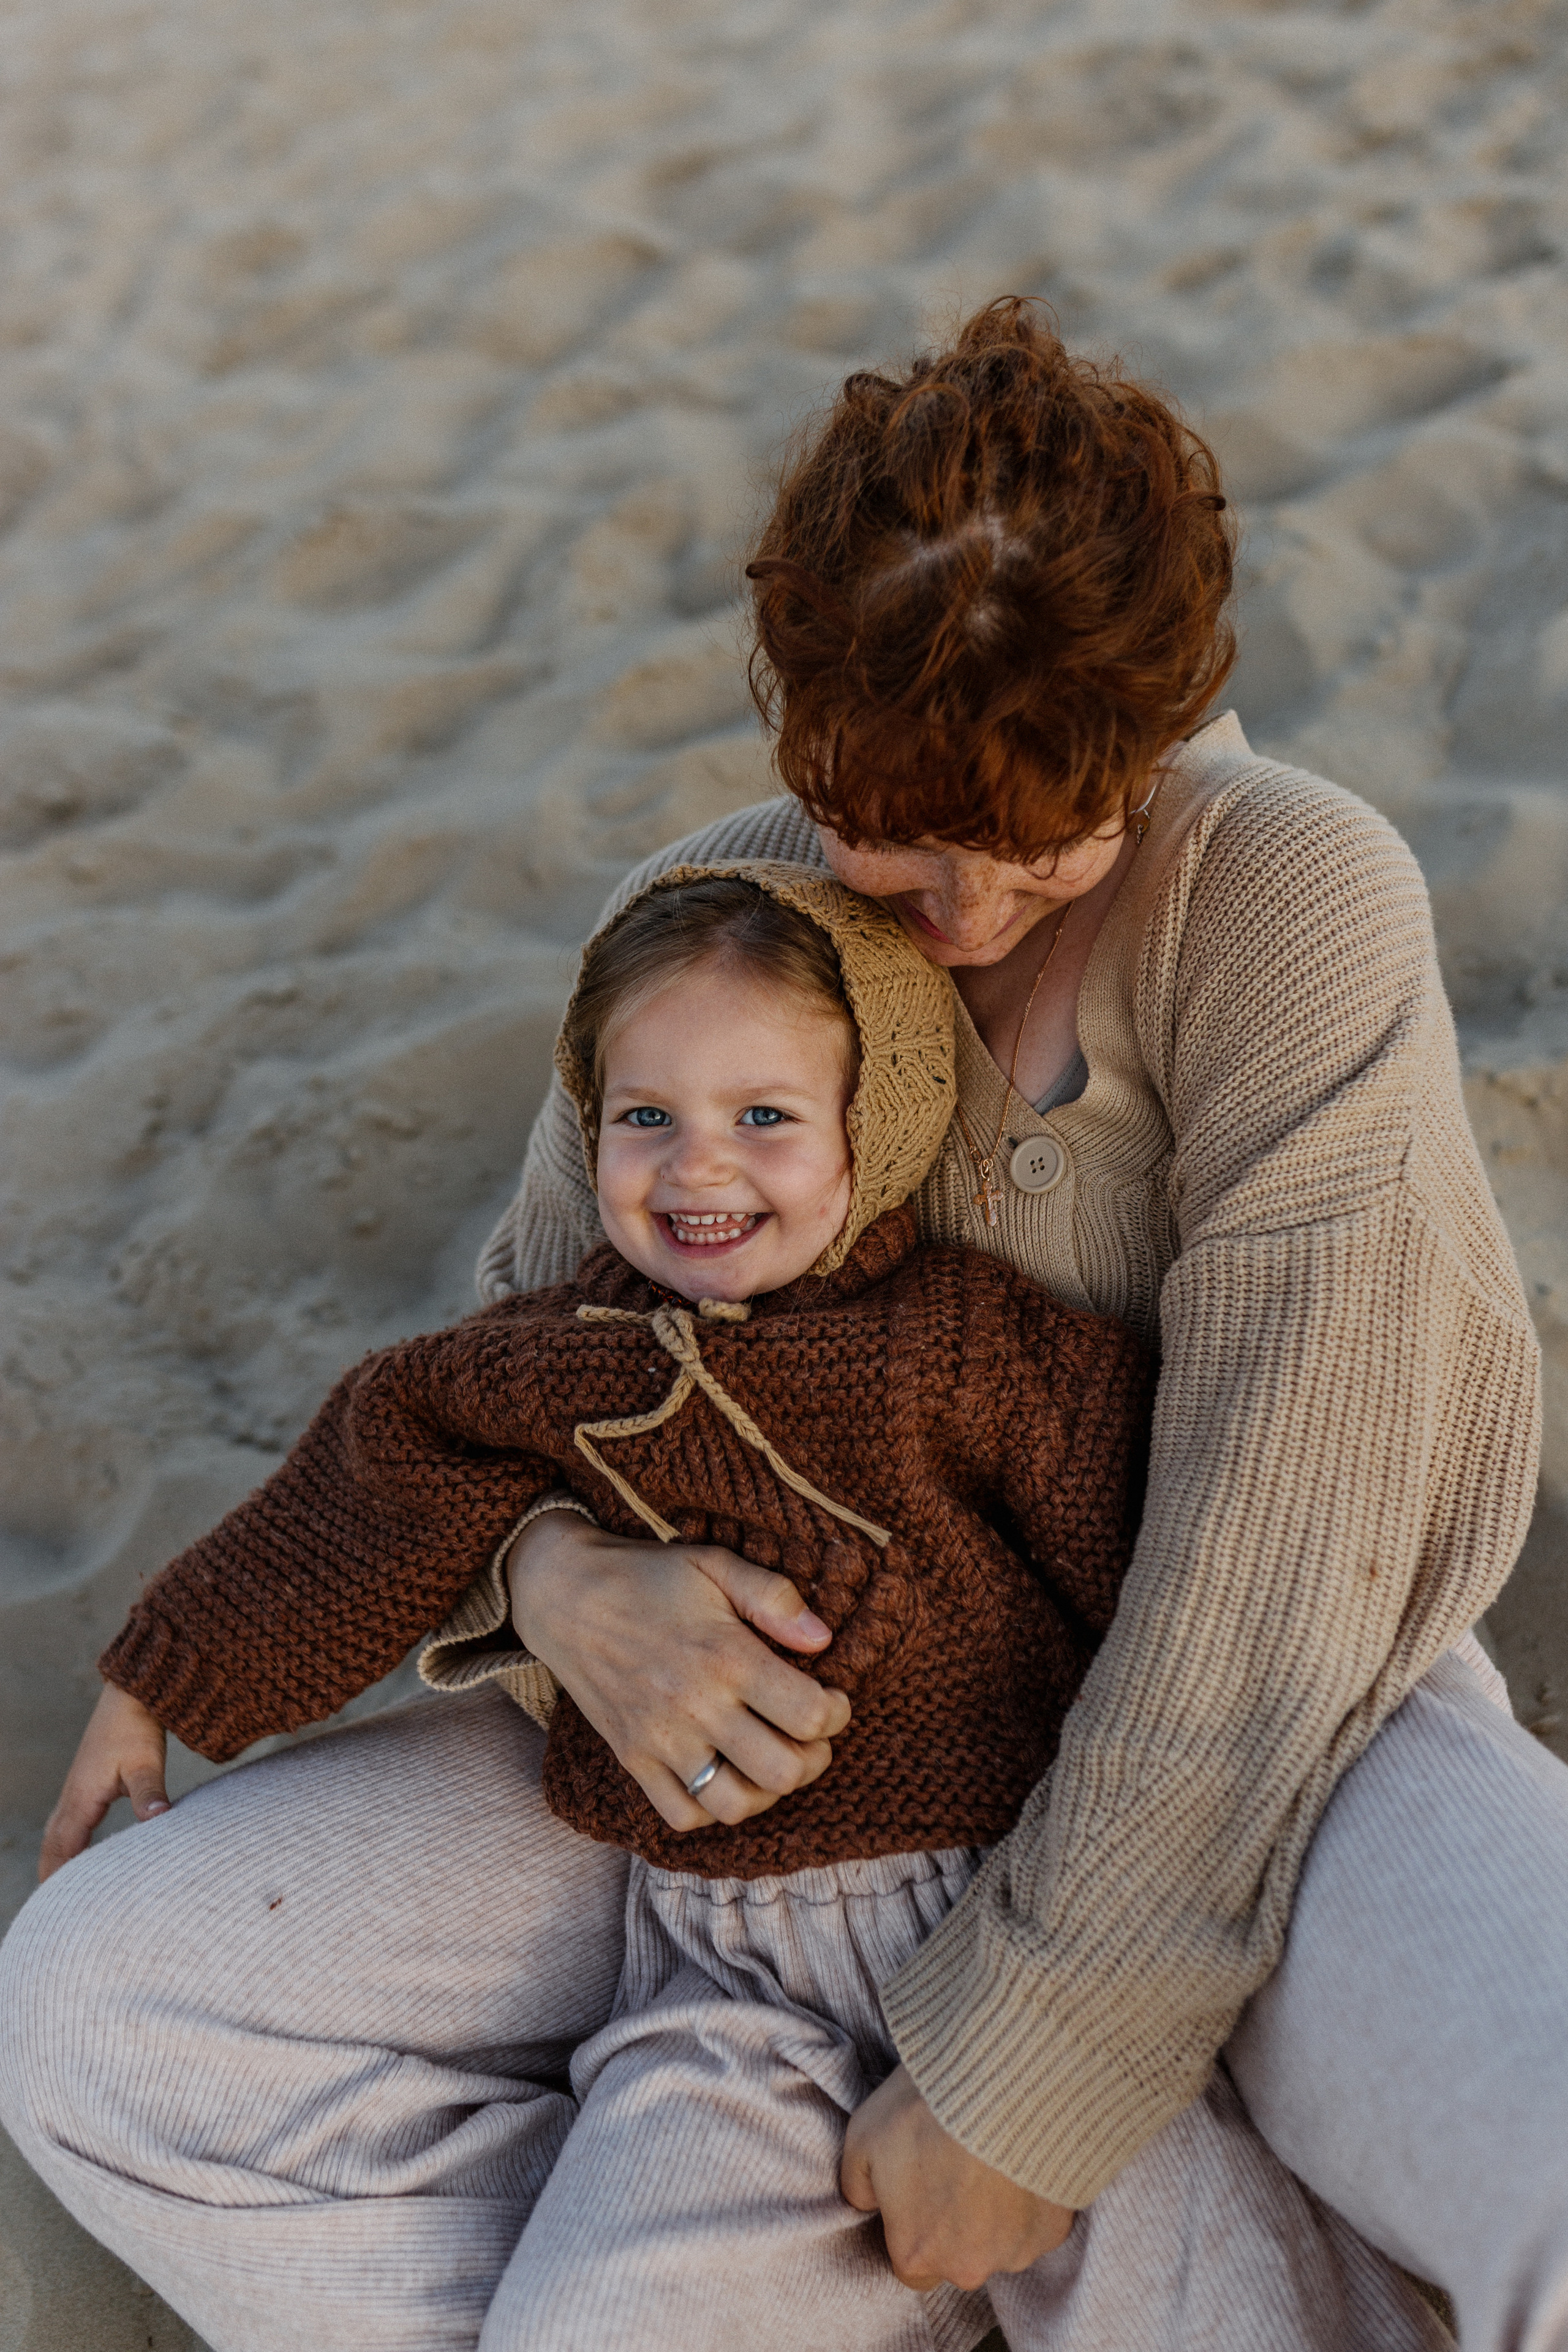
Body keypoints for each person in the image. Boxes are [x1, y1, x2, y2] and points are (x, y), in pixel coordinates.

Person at [0, 297, 1557, 2351]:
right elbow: (511, 1366)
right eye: (882, 832)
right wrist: (560, 1591)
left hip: (1285, 1736)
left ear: (1158, 724)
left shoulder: (1283, 891)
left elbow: (1294, 1538)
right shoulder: (713, 918)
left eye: (1031, 846)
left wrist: (1031, 2056)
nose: (961, 915)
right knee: (105, 2005)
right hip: (774, 1798)